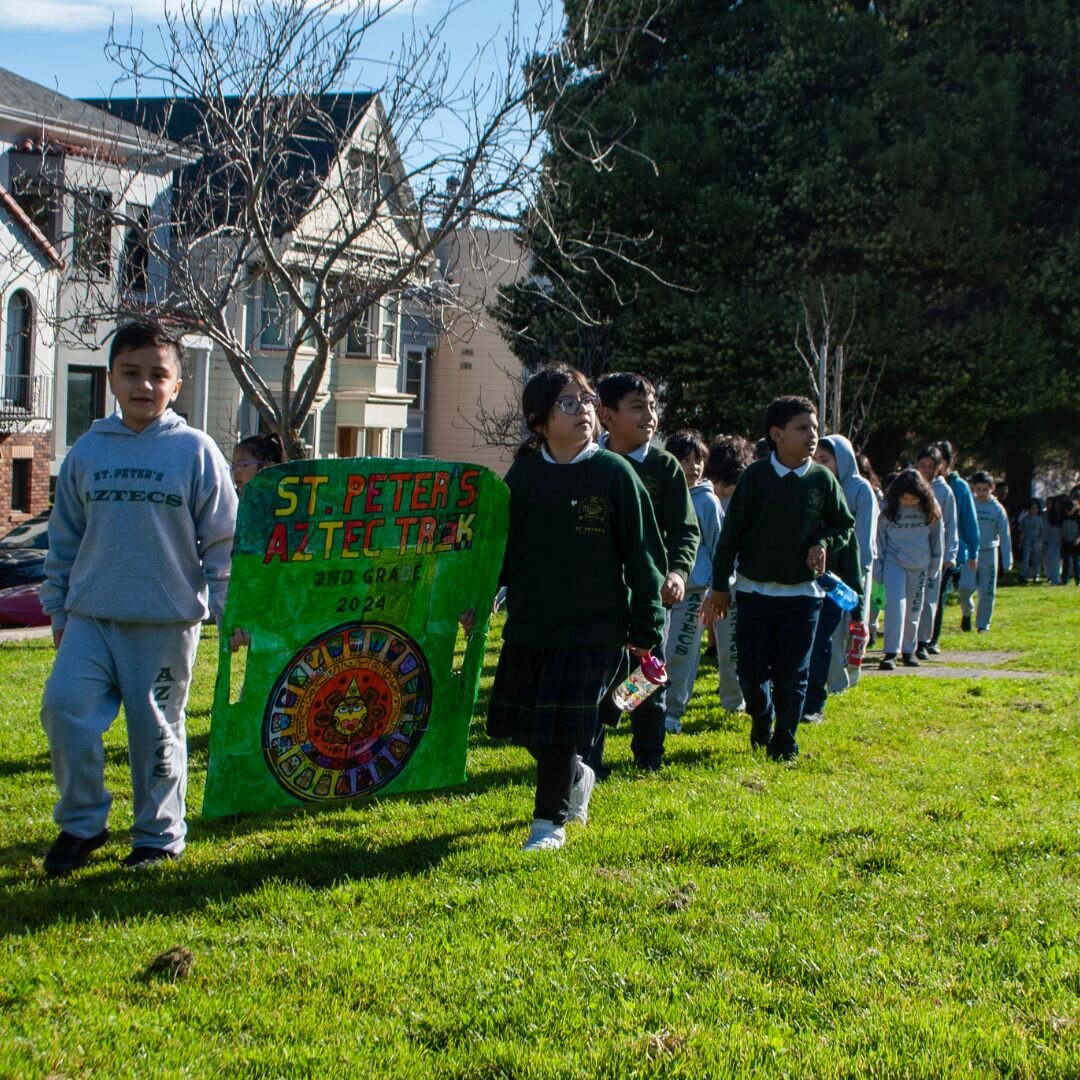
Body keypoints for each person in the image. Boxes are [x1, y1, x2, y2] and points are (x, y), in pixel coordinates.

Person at [38, 321, 237, 875]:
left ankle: (157, 836)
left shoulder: (195, 452)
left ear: (176, 385)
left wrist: (228, 611)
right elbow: (65, 536)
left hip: (163, 623)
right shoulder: (88, 451)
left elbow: (222, 539)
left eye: (158, 375)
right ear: (111, 379)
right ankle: (82, 824)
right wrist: (57, 607)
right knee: (64, 710)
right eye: (131, 373)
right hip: (89, 618)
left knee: (156, 736)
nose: (144, 385)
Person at [486, 364, 666, 851]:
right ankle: (578, 776)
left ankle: (549, 824)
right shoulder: (523, 475)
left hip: (596, 629)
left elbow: (645, 555)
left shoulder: (614, 474)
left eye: (586, 400)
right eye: (568, 402)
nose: (583, 409)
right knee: (526, 727)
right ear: (540, 422)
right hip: (531, 624)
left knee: (561, 731)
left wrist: (646, 626)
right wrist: (481, 597)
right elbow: (502, 548)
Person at [702, 396, 854, 761]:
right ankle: (762, 716)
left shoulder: (823, 479)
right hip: (754, 594)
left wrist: (823, 542)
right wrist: (721, 587)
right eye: (803, 428)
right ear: (777, 434)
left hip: (804, 597)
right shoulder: (755, 478)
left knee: (793, 674)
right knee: (751, 674)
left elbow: (843, 524)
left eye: (815, 428)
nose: (813, 436)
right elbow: (731, 537)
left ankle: (785, 740)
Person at [586, 372, 698, 774]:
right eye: (637, 407)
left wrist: (678, 573)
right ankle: (589, 760)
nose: (649, 415)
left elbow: (686, 530)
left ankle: (648, 753)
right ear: (606, 415)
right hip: (598, 596)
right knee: (594, 679)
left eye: (652, 406)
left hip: (650, 599)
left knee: (646, 679)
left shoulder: (664, 467)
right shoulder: (589, 463)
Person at [803, 433, 877, 722]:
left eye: (826, 459)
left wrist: (858, 605)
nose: (819, 464)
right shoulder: (810, 489)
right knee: (805, 643)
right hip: (805, 583)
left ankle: (817, 700)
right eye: (816, 459)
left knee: (827, 640)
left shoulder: (856, 492)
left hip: (839, 582)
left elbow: (856, 546)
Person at [661, 430, 723, 734]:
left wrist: (715, 588)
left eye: (698, 460)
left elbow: (719, 547)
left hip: (694, 592)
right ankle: (634, 704)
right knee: (650, 653)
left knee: (681, 655)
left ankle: (671, 712)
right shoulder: (661, 494)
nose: (693, 467)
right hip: (659, 591)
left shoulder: (708, 503)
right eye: (685, 460)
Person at [703, 433, 754, 712]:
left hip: (738, 582)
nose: (721, 489)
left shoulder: (748, 497)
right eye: (717, 482)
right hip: (706, 583)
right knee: (725, 649)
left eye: (728, 483)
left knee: (734, 648)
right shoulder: (704, 497)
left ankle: (738, 699)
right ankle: (733, 701)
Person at [874, 469, 943, 670]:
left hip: (920, 563)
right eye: (905, 499)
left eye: (913, 499)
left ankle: (908, 650)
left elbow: (937, 538)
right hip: (894, 561)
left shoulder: (931, 508)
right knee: (896, 605)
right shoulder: (887, 508)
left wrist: (935, 567)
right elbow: (878, 539)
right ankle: (890, 652)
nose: (909, 503)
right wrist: (878, 568)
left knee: (914, 608)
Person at [930, 440, 979, 649]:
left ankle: (933, 639)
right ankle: (920, 637)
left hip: (951, 550)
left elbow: (968, 520)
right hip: (926, 548)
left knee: (939, 593)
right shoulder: (924, 484)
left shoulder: (959, 487)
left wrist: (973, 550)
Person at [915, 446, 957, 660]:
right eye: (922, 466)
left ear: (939, 467)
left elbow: (951, 525)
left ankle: (926, 640)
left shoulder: (944, 491)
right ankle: (910, 641)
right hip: (913, 552)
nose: (926, 470)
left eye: (930, 466)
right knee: (914, 599)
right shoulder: (911, 486)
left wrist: (950, 554)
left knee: (931, 599)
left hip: (936, 553)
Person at [958, 471, 1013, 631]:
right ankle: (967, 613)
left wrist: (1007, 560)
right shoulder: (970, 505)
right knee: (965, 588)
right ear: (973, 488)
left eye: (985, 490)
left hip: (989, 552)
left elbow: (1005, 535)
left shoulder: (997, 509)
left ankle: (983, 625)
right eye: (978, 489)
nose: (981, 493)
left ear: (992, 488)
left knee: (987, 590)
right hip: (970, 553)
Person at [1016, 499, 1046, 583]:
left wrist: (1041, 541)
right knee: (1025, 558)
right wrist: (1020, 542)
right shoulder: (1025, 520)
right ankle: (1023, 574)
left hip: (1037, 540)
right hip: (1027, 540)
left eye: (1035, 508)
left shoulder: (1039, 519)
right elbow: (1022, 532)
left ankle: (1036, 575)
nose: (1034, 510)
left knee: (1036, 559)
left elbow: (1042, 531)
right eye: (1032, 508)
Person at [1059, 496, 1080, 585]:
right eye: (1067, 511)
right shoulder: (1063, 516)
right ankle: (1065, 579)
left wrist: (1078, 539)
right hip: (1066, 541)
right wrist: (1062, 538)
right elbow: (1061, 529)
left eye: (1070, 511)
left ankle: (1078, 579)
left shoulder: (1078, 517)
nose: (1069, 513)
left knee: (1077, 562)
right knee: (1066, 561)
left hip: (1076, 542)